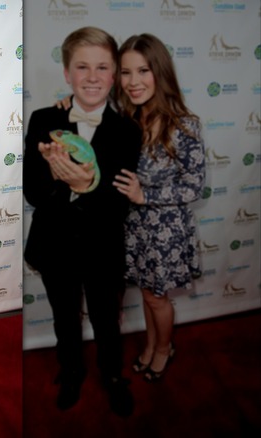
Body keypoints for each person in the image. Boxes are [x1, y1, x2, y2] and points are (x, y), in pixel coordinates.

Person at [22, 26, 141, 417]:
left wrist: (86, 183)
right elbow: (33, 193)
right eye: (82, 67)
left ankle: (112, 375)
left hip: (103, 245)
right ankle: (70, 371)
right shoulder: (43, 120)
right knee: (64, 315)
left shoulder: (127, 130)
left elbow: (120, 204)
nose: (92, 77)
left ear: (113, 75)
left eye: (102, 67)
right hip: (56, 245)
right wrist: (55, 179)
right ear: (67, 73)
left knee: (108, 319)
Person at [112, 33, 205, 382]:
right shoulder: (127, 120)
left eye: (144, 71)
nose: (134, 82)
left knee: (156, 298)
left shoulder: (184, 125)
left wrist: (145, 196)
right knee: (150, 296)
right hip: (134, 229)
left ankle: (164, 349)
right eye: (125, 72)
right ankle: (152, 345)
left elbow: (195, 185)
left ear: (160, 72)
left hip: (166, 230)